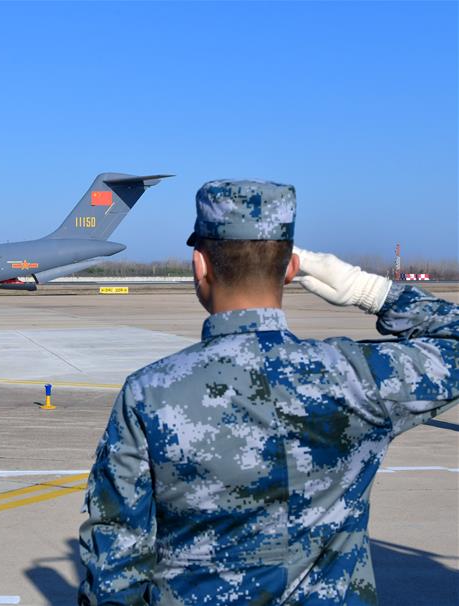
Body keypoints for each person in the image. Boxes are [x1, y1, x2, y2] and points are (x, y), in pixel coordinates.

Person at [78, 180, 458, 605]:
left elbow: (116, 567)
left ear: (199, 265)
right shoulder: (356, 378)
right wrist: (370, 292)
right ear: (292, 269)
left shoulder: (149, 394)